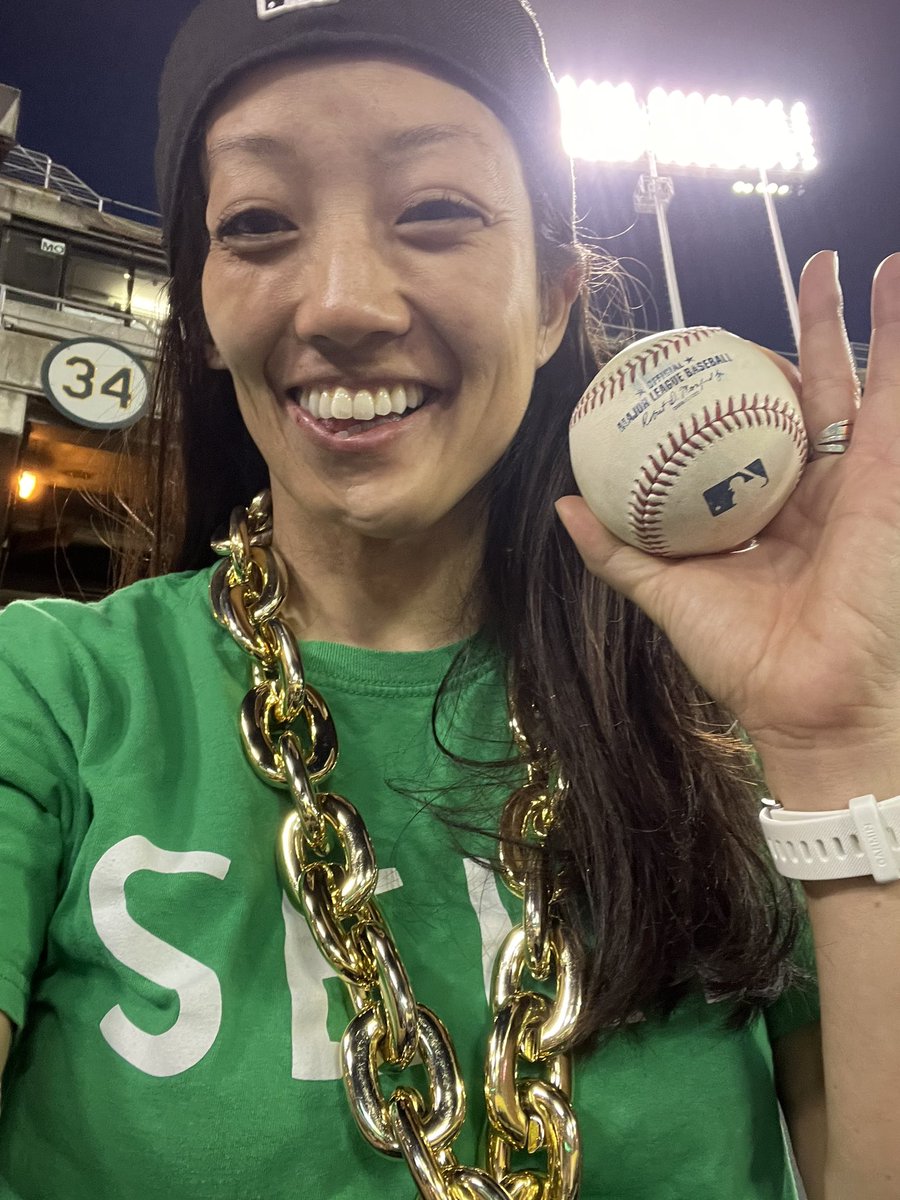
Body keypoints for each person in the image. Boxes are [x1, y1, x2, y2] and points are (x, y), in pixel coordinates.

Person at [1, 0, 898, 1196]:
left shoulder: (717, 714)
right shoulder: (49, 692)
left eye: (436, 212)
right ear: (205, 314)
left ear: (553, 301)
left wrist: (841, 743)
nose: (344, 304)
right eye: (259, 223)